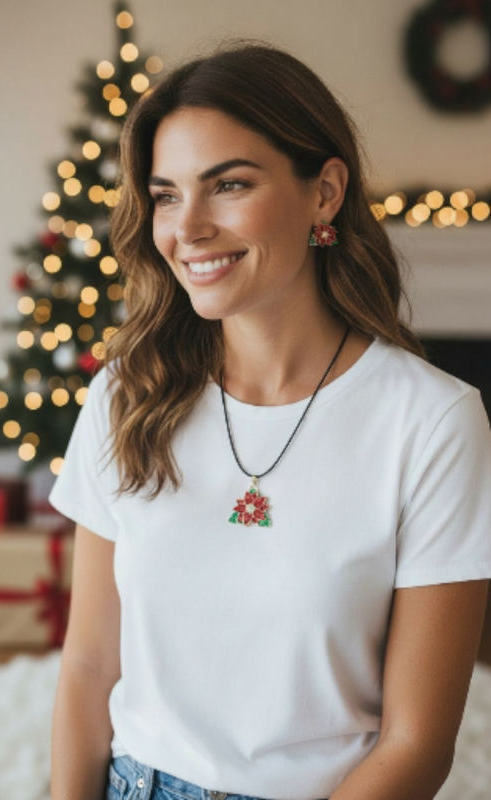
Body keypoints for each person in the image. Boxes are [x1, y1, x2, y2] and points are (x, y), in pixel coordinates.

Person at [49, 42, 491, 800]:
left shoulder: (432, 422)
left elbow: (416, 742)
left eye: (227, 185)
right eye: (164, 194)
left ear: (324, 193)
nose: (186, 227)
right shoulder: (127, 394)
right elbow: (90, 665)